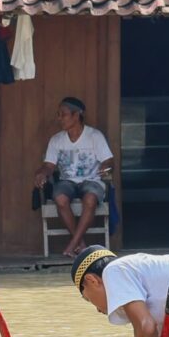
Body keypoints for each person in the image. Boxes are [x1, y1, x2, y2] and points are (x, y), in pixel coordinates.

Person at [35, 97, 113, 257]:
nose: (59, 118)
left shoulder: (94, 136)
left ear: (76, 115)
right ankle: (81, 244)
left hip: (92, 180)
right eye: (58, 114)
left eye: (63, 114)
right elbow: (49, 165)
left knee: (90, 199)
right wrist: (42, 173)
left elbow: (108, 160)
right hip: (67, 182)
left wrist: (106, 168)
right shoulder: (56, 140)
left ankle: (73, 244)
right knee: (60, 198)